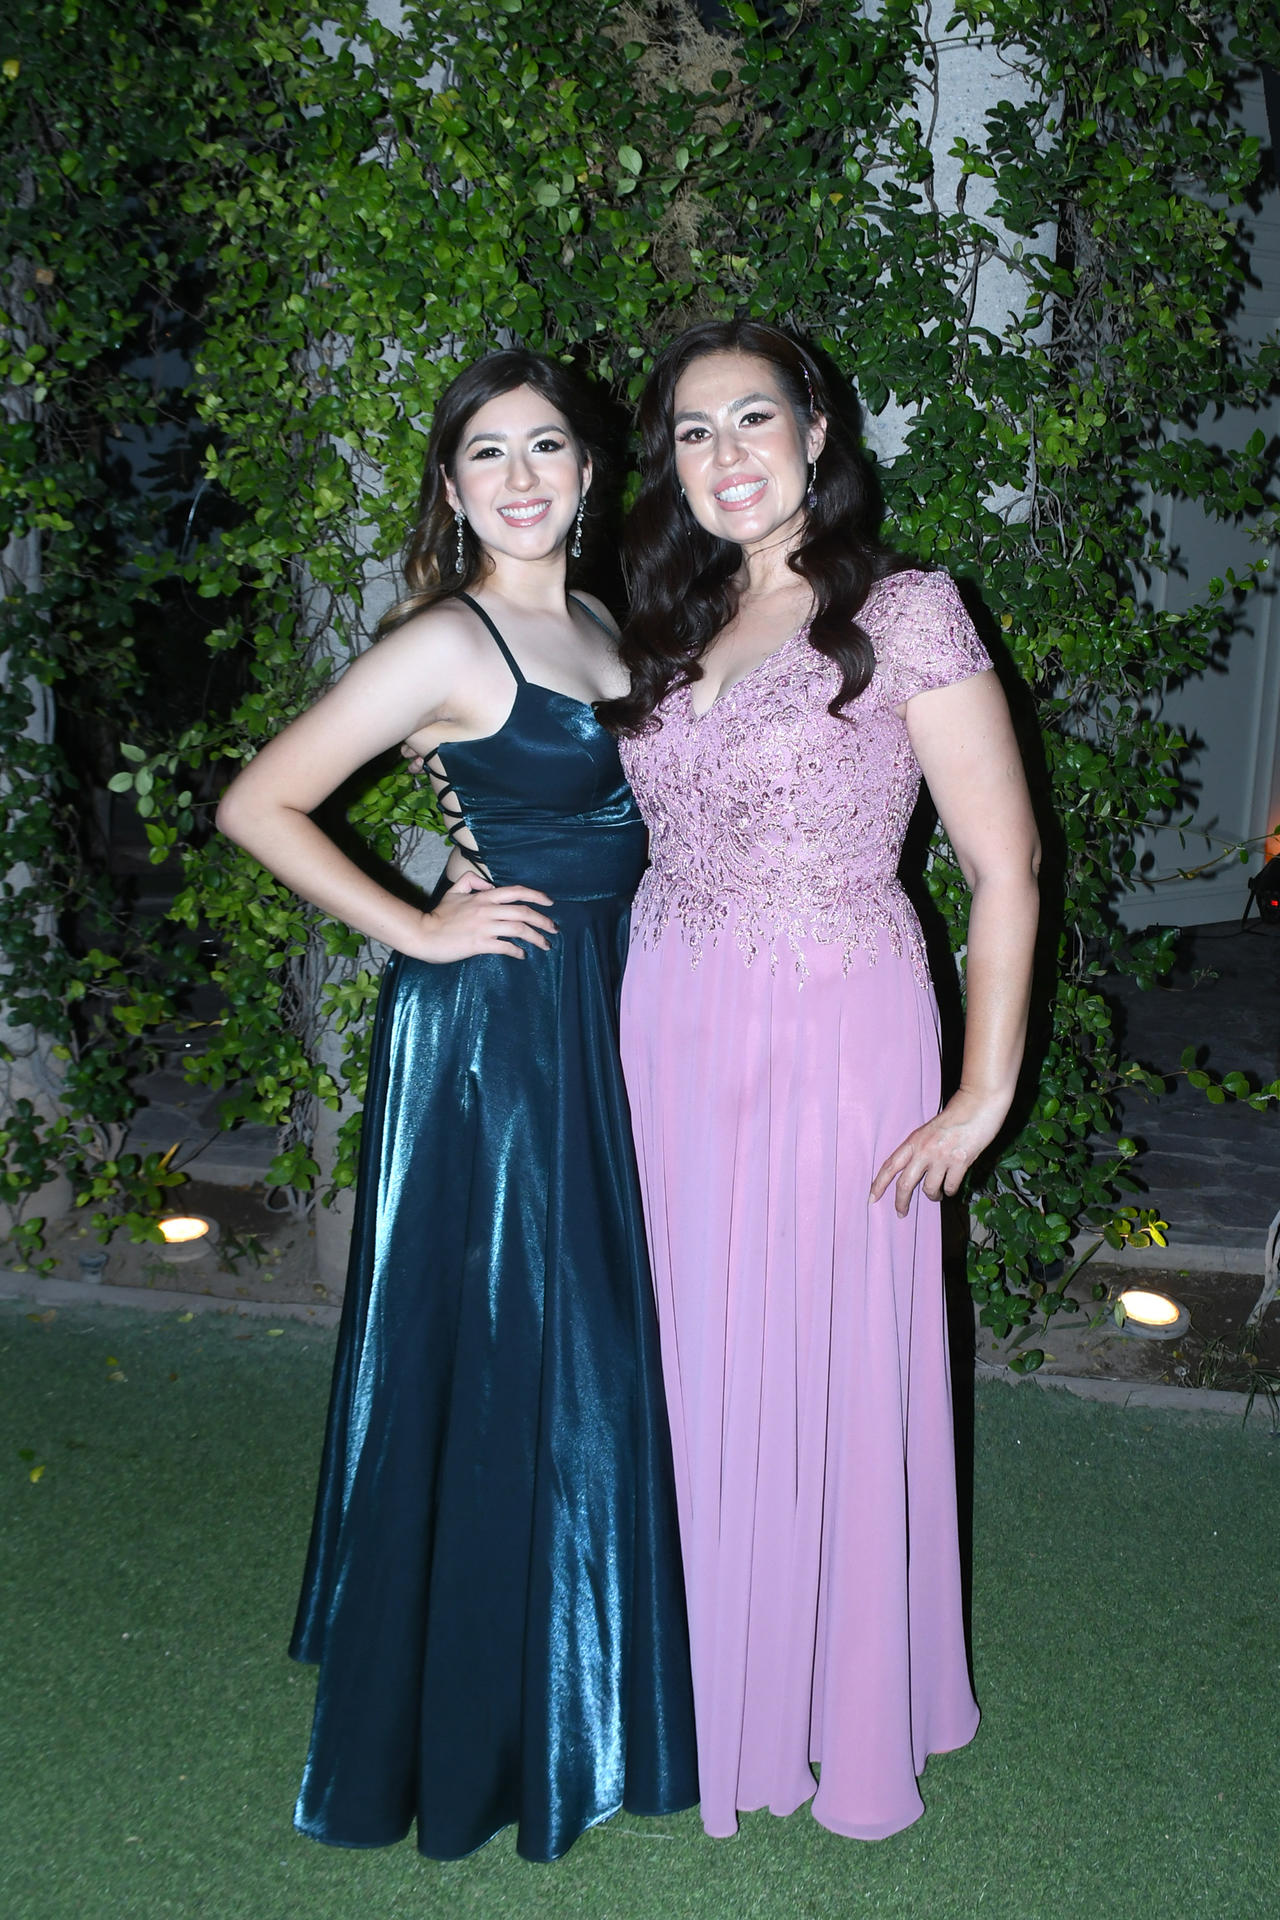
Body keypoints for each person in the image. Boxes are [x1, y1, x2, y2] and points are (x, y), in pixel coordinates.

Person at [216, 349, 697, 1862]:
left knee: (590, 1350)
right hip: (499, 1027)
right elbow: (258, 802)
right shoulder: (446, 638)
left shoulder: (605, 623)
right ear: (450, 485)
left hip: (603, 1005)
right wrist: (419, 929)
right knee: (510, 1354)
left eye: (546, 447)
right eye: (488, 453)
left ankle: (588, 1675)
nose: (521, 477)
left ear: (590, 471)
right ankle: (487, 1718)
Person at [598, 319, 1040, 1842]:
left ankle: (824, 1710)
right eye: (693, 431)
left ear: (818, 432)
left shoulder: (906, 609)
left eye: (752, 419)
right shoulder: (666, 619)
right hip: (669, 1019)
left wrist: (983, 1095)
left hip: (836, 1021)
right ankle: (696, 1688)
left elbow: (1004, 866)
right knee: (690, 1347)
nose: (724, 454)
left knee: (824, 1352)